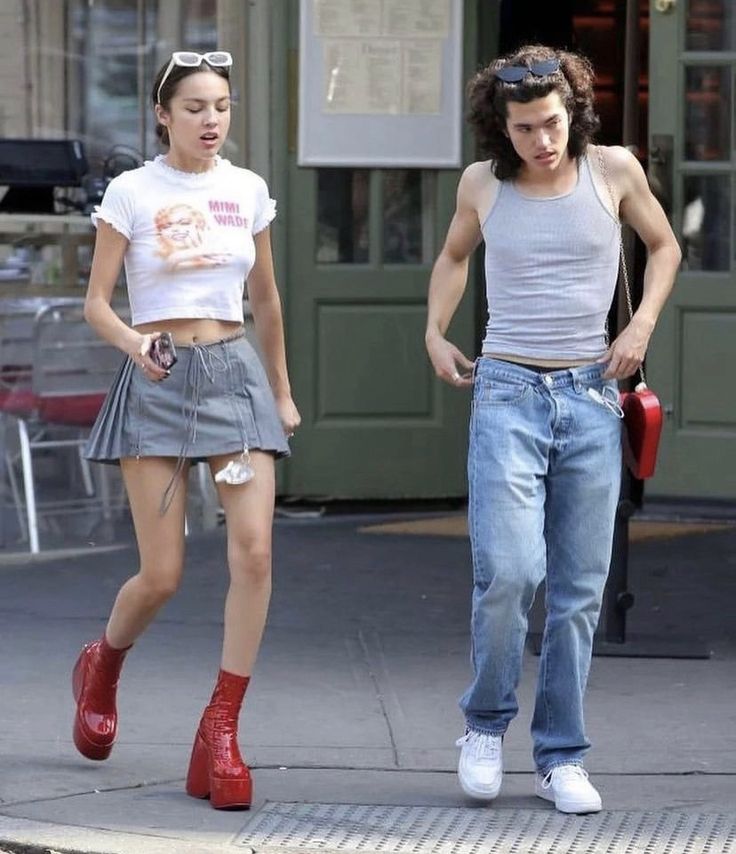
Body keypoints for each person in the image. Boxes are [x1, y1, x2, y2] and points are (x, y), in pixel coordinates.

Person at [425, 44, 680, 814]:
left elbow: (665, 247)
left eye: (553, 123)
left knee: (576, 592)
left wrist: (639, 327)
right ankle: (483, 725)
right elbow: (453, 256)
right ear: (500, 130)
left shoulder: (614, 171)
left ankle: (561, 754)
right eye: (526, 128)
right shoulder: (483, 184)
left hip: (592, 394)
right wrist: (434, 331)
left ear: (574, 114)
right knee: (508, 573)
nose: (543, 140)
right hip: (506, 389)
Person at [73, 49, 300, 811]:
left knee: (256, 553)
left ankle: (222, 728)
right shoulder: (131, 191)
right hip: (158, 378)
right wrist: (138, 345)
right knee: (162, 574)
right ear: (163, 115)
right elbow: (97, 303)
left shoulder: (248, 189)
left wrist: (282, 391)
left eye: (223, 106)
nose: (212, 120)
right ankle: (103, 662)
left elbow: (265, 300)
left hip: (233, 377)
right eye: (196, 107)